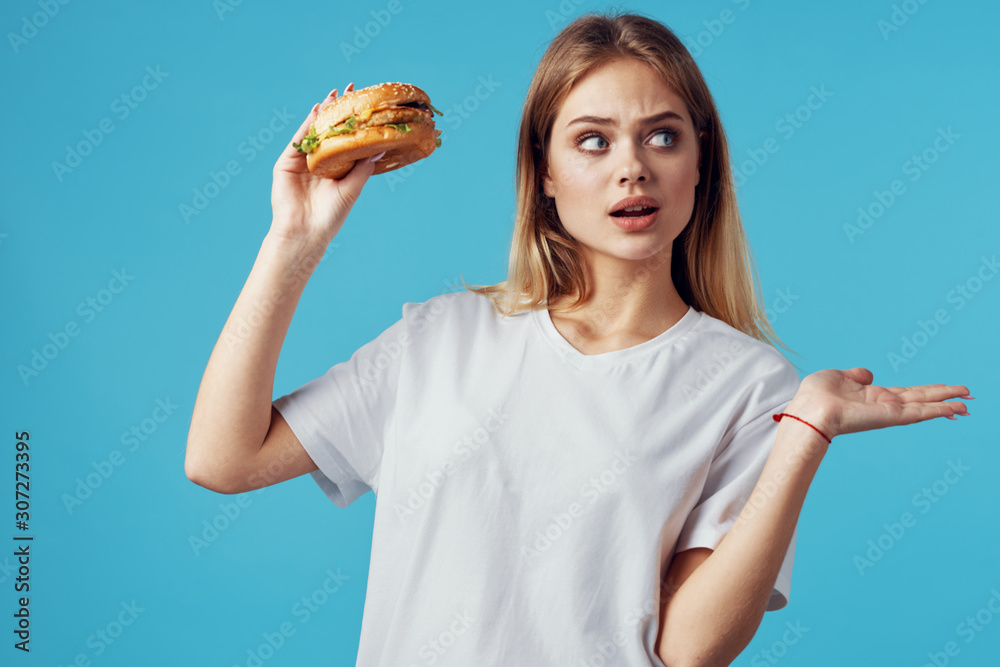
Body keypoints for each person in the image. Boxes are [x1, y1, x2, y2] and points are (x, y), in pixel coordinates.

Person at [184, 10, 971, 666]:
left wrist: (806, 432)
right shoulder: (440, 337)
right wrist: (291, 244)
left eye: (663, 137)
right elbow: (223, 458)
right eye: (593, 140)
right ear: (546, 172)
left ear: (703, 164)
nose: (632, 168)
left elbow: (691, 645)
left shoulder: (752, 385)